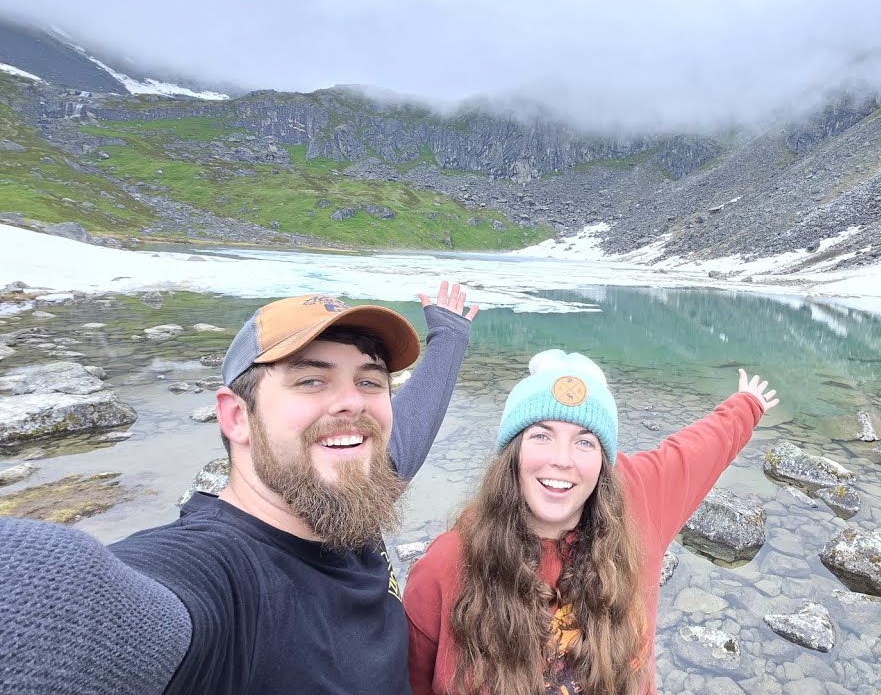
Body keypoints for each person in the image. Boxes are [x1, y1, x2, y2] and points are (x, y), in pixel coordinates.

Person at [0, 281, 477, 695]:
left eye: (369, 382)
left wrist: (450, 336)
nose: (353, 403)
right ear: (235, 416)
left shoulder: (349, 492)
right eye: (311, 380)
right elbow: (73, 600)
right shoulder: (221, 576)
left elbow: (407, 432)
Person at [403, 349, 779, 695]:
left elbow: (700, 449)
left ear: (603, 461)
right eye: (541, 435)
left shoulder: (639, 502)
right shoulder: (447, 566)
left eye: (585, 442)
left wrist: (747, 405)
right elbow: (409, 682)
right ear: (512, 453)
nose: (562, 459)